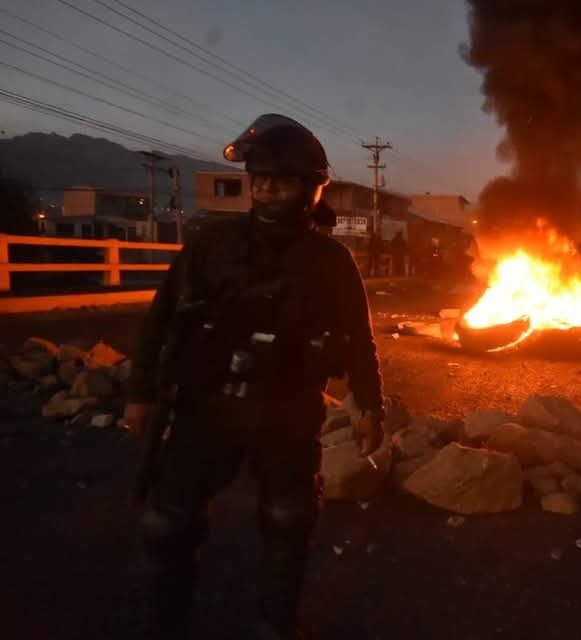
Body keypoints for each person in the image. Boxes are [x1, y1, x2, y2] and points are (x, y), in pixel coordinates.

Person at [122, 113, 385, 640]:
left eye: (279, 182)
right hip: (207, 403)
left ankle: (275, 627)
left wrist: (369, 405)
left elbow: (360, 339)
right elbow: (162, 315)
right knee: (167, 523)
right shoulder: (213, 242)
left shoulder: (330, 261)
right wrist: (140, 392)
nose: (264, 191)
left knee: (289, 520)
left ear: (309, 189)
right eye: (258, 180)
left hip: (287, 411)